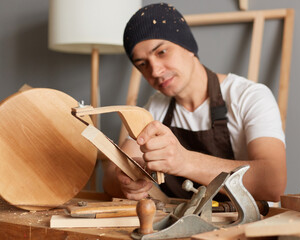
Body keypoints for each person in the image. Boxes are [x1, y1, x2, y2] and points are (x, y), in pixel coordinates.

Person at [103, 3, 286, 202]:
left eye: (162, 52)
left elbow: (272, 182)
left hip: (242, 227)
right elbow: (110, 177)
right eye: (142, 64)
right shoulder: (155, 108)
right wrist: (126, 182)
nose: (155, 71)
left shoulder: (250, 97)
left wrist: (184, 162)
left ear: (188, 47)